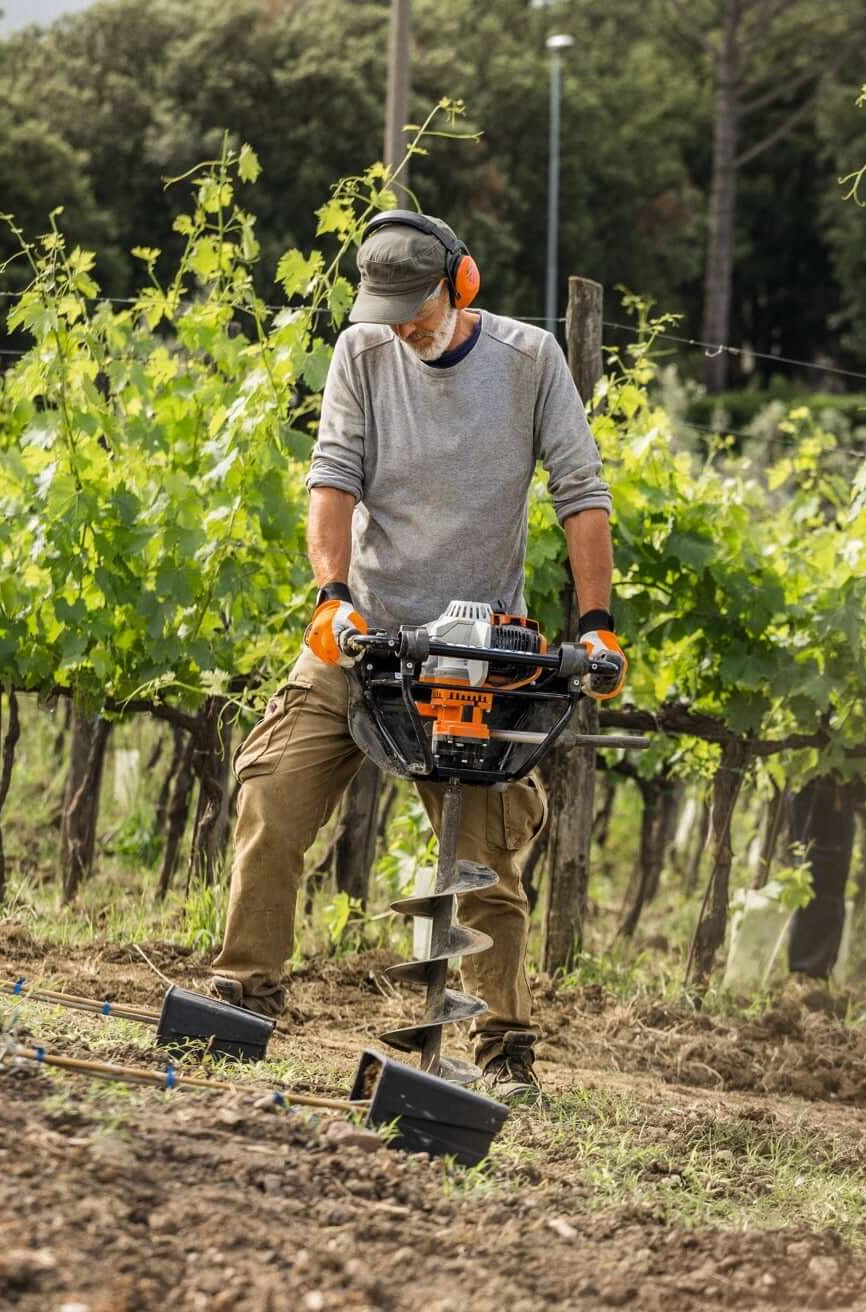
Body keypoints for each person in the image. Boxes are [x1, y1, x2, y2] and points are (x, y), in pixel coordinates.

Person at [205, 211, 623, 1107]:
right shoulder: (362, 351)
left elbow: (581, 493)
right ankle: (244, 994)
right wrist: (333, 598)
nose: (405, 325)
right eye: (388, 308)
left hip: (473, 655)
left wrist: (597, 624)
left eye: (418, 306)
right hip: (367, 638)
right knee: (271, 792)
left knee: (483, 859)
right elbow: (333, 476)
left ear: (460, 285)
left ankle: (503, 1050)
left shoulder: (529, 362)